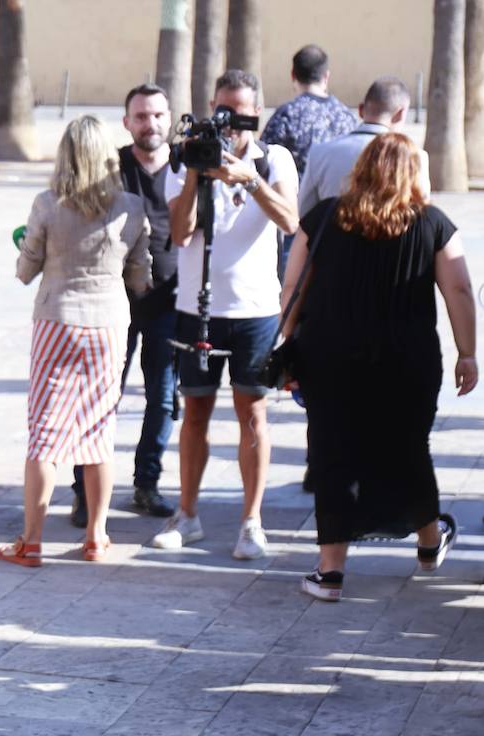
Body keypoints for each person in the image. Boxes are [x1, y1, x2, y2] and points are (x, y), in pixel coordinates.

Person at [283, 133, 474, 601]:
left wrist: (288, 348)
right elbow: (460, 290)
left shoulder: (324, 217)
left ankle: (330, 572)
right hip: (406, 359)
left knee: (331, 456)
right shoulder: (432, 223)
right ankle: (429, 546)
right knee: (409, 450)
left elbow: (293, 287)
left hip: (329, 356)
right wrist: (467, 352)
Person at [150, 69, 299, 560]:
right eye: (223, 112)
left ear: (257, 113)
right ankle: (186, 515)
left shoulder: (273, 159)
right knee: (193, 411)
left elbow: (290, 221)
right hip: (197, 308)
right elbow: (182, 231)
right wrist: (196, 170)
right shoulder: (185, 159)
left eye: (240, 114)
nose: (230, 124)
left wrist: (249, 179)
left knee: (252, 413)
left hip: (254, 308)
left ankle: (251, 523)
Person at [0, 115, 151, 567]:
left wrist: (26, 247)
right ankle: (97, 537)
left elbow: (26, 271)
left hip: (57, 320)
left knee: (45, 433)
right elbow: (140, 276)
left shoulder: (48, 203)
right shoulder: (132, 207)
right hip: (108, 323)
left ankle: (31, 540)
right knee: (100, 432)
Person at [69, 84, 180, 526]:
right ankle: (84, 490)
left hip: (170, 299)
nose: (149, 124)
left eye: (156, 115)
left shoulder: (188, 166)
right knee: (100, 397)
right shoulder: (110, 167)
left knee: (163, 397)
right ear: (126, 121)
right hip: (112, 298)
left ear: (169, 118)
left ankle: (146, 483)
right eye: (140, 116)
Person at [300, 77, 430, 216]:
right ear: (400, 114)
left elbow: (304, 212)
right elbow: (422, 212)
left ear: (361, 109)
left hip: (332, 235)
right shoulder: (414, 156)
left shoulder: (320, 153)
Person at [260, 44, 358, 177]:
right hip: (339, 194)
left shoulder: (287, 115)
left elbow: (263, 159)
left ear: (293, 75)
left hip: (295, 195)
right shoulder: (347, 117)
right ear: (326, 76)